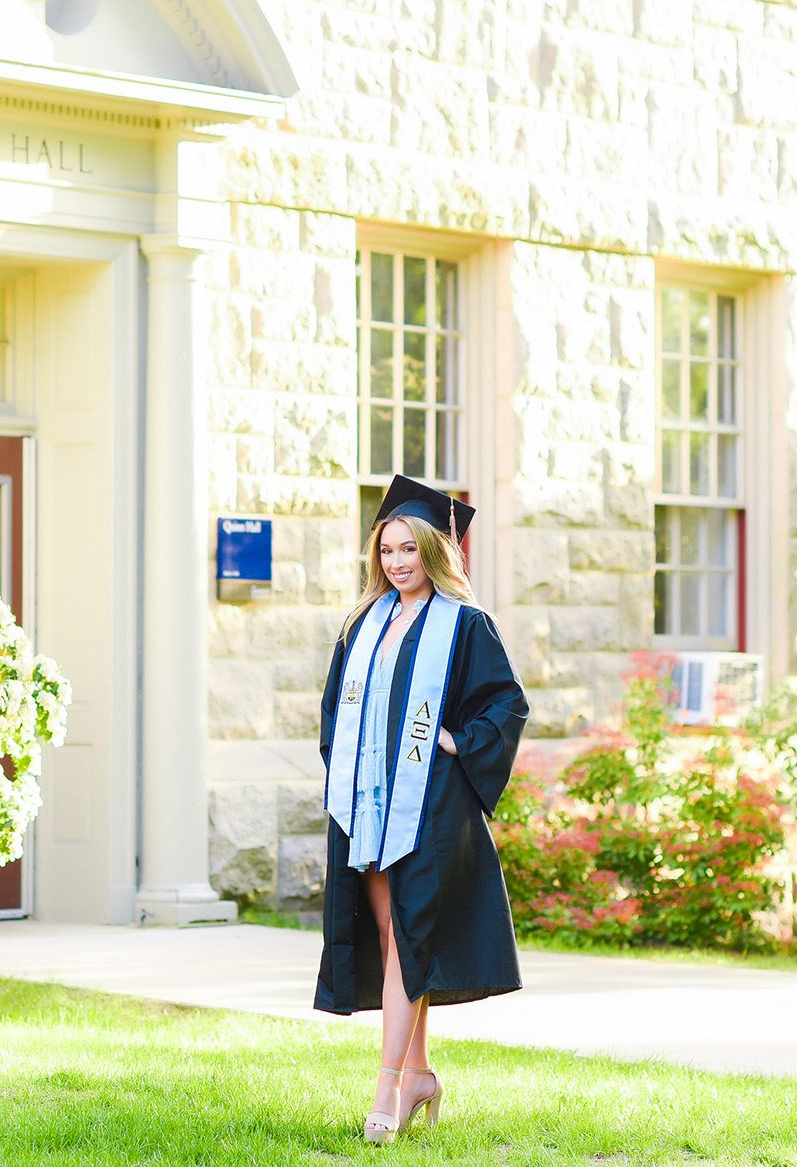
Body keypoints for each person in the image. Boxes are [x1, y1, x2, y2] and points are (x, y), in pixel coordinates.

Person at [314, 475, 531, 1145]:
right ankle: (419, 1073)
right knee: (390, 935)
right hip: (370, 802)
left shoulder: (464, 625)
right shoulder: (364, 622)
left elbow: (506, 702)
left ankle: (386, 1086)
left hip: (427, 803)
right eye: (386, 551)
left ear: (434, 550)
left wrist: (459, 741)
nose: (397, 563)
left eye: (409, 549)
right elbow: (333, 711)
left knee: (409, 936)